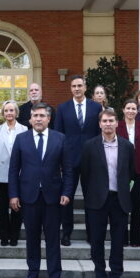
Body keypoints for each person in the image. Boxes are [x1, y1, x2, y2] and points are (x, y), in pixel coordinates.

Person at [8, 102, 73, 278]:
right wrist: (13, 194)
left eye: (42, 116)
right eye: (35, 116)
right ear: (29, 119)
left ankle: (55, 277)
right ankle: (32, 274)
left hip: (53, 198)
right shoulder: (21, 139)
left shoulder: (60, 139)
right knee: (32, 239)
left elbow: (68, 170)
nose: (38, 119)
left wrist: (67, 192)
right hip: (29, 198)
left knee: (53, 239)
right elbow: (13, 170)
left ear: (48, 118)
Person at [79, 108, 136, 278]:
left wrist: (126, 193)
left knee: (118, 242)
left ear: (117, 123)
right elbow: (85, 175)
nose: (108, 124)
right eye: (105, 121)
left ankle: (116, 277)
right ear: (100, 124)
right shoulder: (89, 146)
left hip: (119, 199)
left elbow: (131, 173)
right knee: (97, 241)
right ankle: (100, 277)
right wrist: (90, 196)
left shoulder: (127, 146)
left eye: (111, 120)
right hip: (97, 200)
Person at [54, 75, 102, 246]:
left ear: (85, 87)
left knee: (91, 199)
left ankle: (92, 233)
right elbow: (58, 135)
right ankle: (66, 233)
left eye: (80, 85)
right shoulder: (62, 108)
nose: (77, 88)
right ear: (70, 88)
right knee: (67, 198)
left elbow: (99, 134)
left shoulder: (96, 107)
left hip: (91, 160)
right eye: (74, 86)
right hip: (69, 160)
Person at [116, 99, 140, 247]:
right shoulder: (117, 126)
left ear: (137, 111)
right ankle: (122, 238)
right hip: (121, 172)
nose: (131, 111)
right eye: (128, 108)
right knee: (121, 206)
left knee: (137, 207)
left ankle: (136, 239)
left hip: (138, 172)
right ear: (123, 110)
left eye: (133, 109)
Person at [0, 100, 27, 246]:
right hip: (1, 175)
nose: (9, 113)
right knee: (2, 208)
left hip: (19, 175)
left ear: (16, 112)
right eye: (6, 110)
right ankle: (4, 236)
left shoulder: (24, 129)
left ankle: (14, 236)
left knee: (17, 208)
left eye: (12, 110)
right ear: (3, 113)